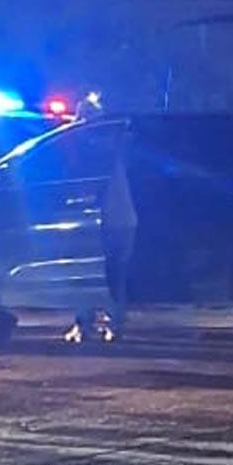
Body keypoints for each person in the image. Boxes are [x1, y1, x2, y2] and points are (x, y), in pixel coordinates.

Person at [64, 128, 137, 344]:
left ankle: (90, 323)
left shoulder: (94, 153)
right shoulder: (118, 149)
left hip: (106, 221)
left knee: (88, 274)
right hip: (122, 219)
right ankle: (110, 323)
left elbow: (87, 190)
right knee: (113, 274)